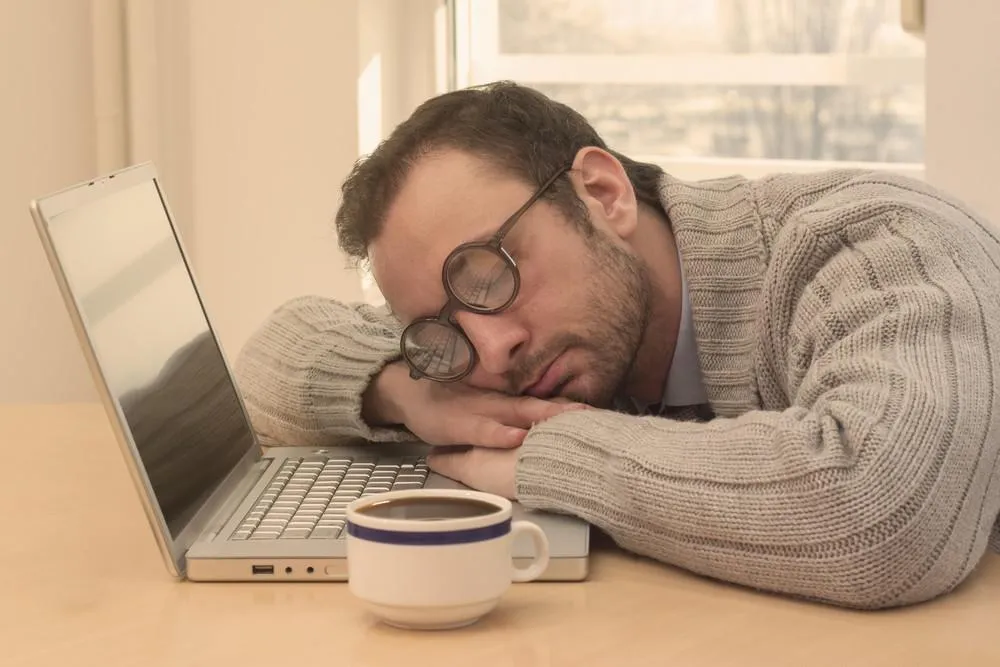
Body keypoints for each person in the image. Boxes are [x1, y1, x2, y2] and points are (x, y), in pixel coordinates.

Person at [233, 81, 1000, 609]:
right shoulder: (497, 346)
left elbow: (887, 513)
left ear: (602, 193)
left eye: (488, 274)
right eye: (445, 330)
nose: (493, 350)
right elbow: (269, 356)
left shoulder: (874, 241)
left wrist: (545, 454)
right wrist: (413, 390)